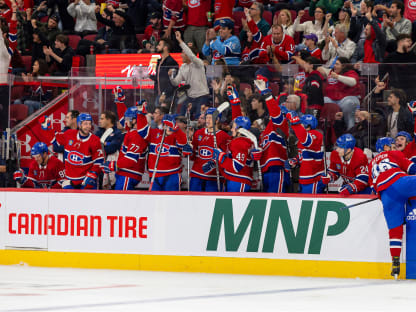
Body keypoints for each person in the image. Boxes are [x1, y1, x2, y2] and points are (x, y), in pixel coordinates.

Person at [368, 136, 416, 278]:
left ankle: (395, 264)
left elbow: (373, 188)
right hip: (399, 182)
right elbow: (412, 168)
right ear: (386, 148)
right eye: (392, 145)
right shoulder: (393, 154)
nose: (394, 147)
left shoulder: (371, 164)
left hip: (386, 196)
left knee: (395, 231)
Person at [254, 76, 290, 193]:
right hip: (265, 170)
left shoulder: (281, 124)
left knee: (277, 202)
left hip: (277, 168)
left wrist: (267, 94)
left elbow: (276, 114)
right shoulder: (265, 132)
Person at [49, 113, 104, 189]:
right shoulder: (69, 134)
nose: (88, 126)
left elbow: (99, 161)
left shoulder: (95, 140)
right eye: (85, 124)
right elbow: (55, 140)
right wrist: (48, 129)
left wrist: (92, 175)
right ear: (79, 124)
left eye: (89, 124)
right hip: (69, 181)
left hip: (85, 181)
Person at [103, 106, 149, 190]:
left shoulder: (137, 135)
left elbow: (131, 159)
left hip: (128, 175)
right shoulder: (132, 131)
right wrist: (119, 102)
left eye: (128, 118)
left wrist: (113, 165)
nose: (125, 121)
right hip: (125, 174)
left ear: (134, 120)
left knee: (122, 201)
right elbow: (122, 119)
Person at [169, 31, 210, 119]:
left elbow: (192, 56)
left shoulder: (198, 63)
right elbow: (176, 82)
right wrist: (171, 76)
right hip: (190, 98)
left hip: (202, 96)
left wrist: (180, 40)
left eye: (183, 53)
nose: (181, 55)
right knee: (181, 118)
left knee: (200, 119)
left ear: (188, 54)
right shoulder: (183, 67)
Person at [147, 114, 192, 191]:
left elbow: (183, 143)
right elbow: (143, 132)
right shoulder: (156, 133)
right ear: (163, 126)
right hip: (155, 174)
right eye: (166, 125)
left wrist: (176, 129)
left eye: (171, 126)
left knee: (171, 200)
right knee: (154, 200)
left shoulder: (177, 136)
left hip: (172, 174)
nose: (169, 128)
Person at [191, 107, 231, 192]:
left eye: (210, 118)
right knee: (193, 200)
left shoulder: (224, 136)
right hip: (197, 174)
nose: (207, 120)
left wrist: (213, 163)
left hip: (214, 176)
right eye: (207, 117)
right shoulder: (198, 133)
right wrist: (188, 151)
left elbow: (226, 157)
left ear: (217, 120)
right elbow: (192, 155)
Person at [211, 116, 255, 192]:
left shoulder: (240, 142)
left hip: (238, 181)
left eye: (233, 127)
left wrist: (221, 156)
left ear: (240, 129)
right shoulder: (245, 142)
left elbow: (236, 166)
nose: (231, 129)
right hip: (236, 180)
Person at [285, 113, 325, 194]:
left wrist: (295, 123)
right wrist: (294, 161)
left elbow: (307, 141)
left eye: (301, 124)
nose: (299, 126)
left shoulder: (316, 135)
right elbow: (302, 156)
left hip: (313, 180)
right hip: (304, 179)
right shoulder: (302, 139)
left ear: (308, 126)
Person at [319, 57, 361, 129]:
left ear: (344, 66)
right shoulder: (331, 72)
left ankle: (350, 130)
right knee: (322, 100)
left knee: (348, 103)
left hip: (347, 98)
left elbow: (353, 82)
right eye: (335, 64)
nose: (334, 66)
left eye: (337, 64)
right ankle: (328, 129)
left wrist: (338, 77)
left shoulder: (351, 72)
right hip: (332, 99)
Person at [96, 110, 123, 188]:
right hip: (98, 166)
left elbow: (112, 148)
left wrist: (102, 145)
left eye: (102, 119)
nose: (99, 121)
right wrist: (105, 144)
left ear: (109, 120)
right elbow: (93, 147)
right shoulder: (99, 133)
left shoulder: (117, 133)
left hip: (111, 167)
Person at [150, 38, 178, 103]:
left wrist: (164, 93)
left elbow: (172, 82)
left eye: (159, 45)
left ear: (165, 48)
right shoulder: (159, 61)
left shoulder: (171, 62)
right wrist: (148, 75)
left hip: (168, 97)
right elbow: (160, 77)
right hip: (158, 95)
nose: (157, 46)